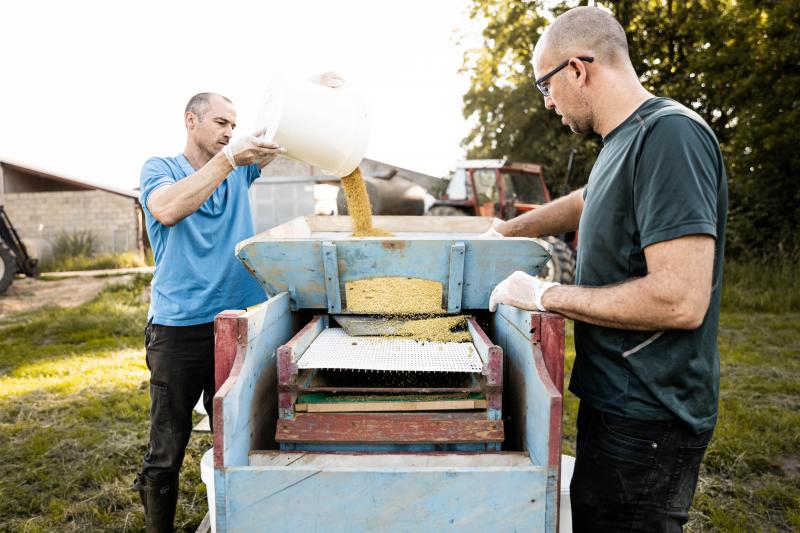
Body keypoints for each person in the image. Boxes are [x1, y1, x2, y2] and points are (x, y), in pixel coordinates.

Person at [487, 7, 727, 532]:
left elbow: (680, 300)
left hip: (650, 413)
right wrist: (504, 231)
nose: (548, 104)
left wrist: (545, 295)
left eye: (545, 87)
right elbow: (585, 200)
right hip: (616, 401)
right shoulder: (623, 140)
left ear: (578, 69)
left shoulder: (670, 137)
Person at [133, 74, 341, 532]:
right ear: (191, 121)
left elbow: (278, 129)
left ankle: (233, 517)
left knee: (241, 434)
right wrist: (228, 158)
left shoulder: (240, 168)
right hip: (179, 327)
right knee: (168, 446)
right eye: (221, 122)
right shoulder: (160, 168)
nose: (231, 132)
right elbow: (167, 209)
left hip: (238, 324)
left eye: (234, 125)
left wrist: (315, 96)